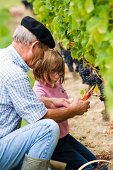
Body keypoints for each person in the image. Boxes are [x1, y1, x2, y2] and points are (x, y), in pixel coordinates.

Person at [0, 15, 90, 170]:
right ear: (34, 46)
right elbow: (40, 118)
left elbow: (19, 99)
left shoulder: (3, 57)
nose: (40, 59)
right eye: (42, 54)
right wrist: (74, 110)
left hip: (5, 143)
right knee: (48, 128)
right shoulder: (15, 74)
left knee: (42, 166)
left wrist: (52, 101)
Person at [33, 49, 97, 170]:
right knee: (86, 168)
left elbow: (64, 102)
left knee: (93, 162)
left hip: (65, 137)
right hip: (54, 144)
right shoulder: (38, 92)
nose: (57, 76)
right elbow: (47, 116)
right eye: (53, 72)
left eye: (59, 72)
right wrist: (73, 109)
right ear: (41, 69)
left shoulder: (56, 83)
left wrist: (77, 102)